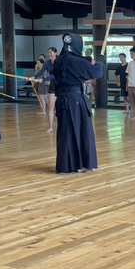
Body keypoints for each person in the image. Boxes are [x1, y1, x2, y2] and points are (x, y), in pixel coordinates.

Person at [52, 34, 104, 173]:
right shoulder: (77, 61)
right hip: (75, 99)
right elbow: (97, 72)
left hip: (62, 99)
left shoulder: (58, 61)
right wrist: (100, 61)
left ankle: (68, 164)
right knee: (81, 131)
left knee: (66, 132)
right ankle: (79, 164)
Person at [29, 47, 58, 132]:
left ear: (55, 53)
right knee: (50, 107)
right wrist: (33, 77)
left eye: (51, 52)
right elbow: (41, 72)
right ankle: (50, 127)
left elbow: (56, 74)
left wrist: (43, 79)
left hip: (61, 85)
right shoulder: (47, 63)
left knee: (61, 107)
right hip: (53, 85)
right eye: (48, 52)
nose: (49, 54)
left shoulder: (59, 62)